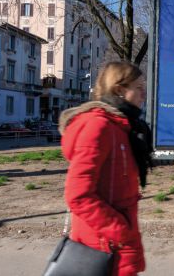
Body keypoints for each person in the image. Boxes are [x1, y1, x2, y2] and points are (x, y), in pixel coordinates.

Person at [59, 61, 152, 276]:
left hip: (116, 245)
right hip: (103, 246)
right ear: (119, 90)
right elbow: (78, 195)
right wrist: (121, 231)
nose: (143, 94)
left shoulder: (122, 127)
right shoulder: (98, 126)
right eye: (138, 88)